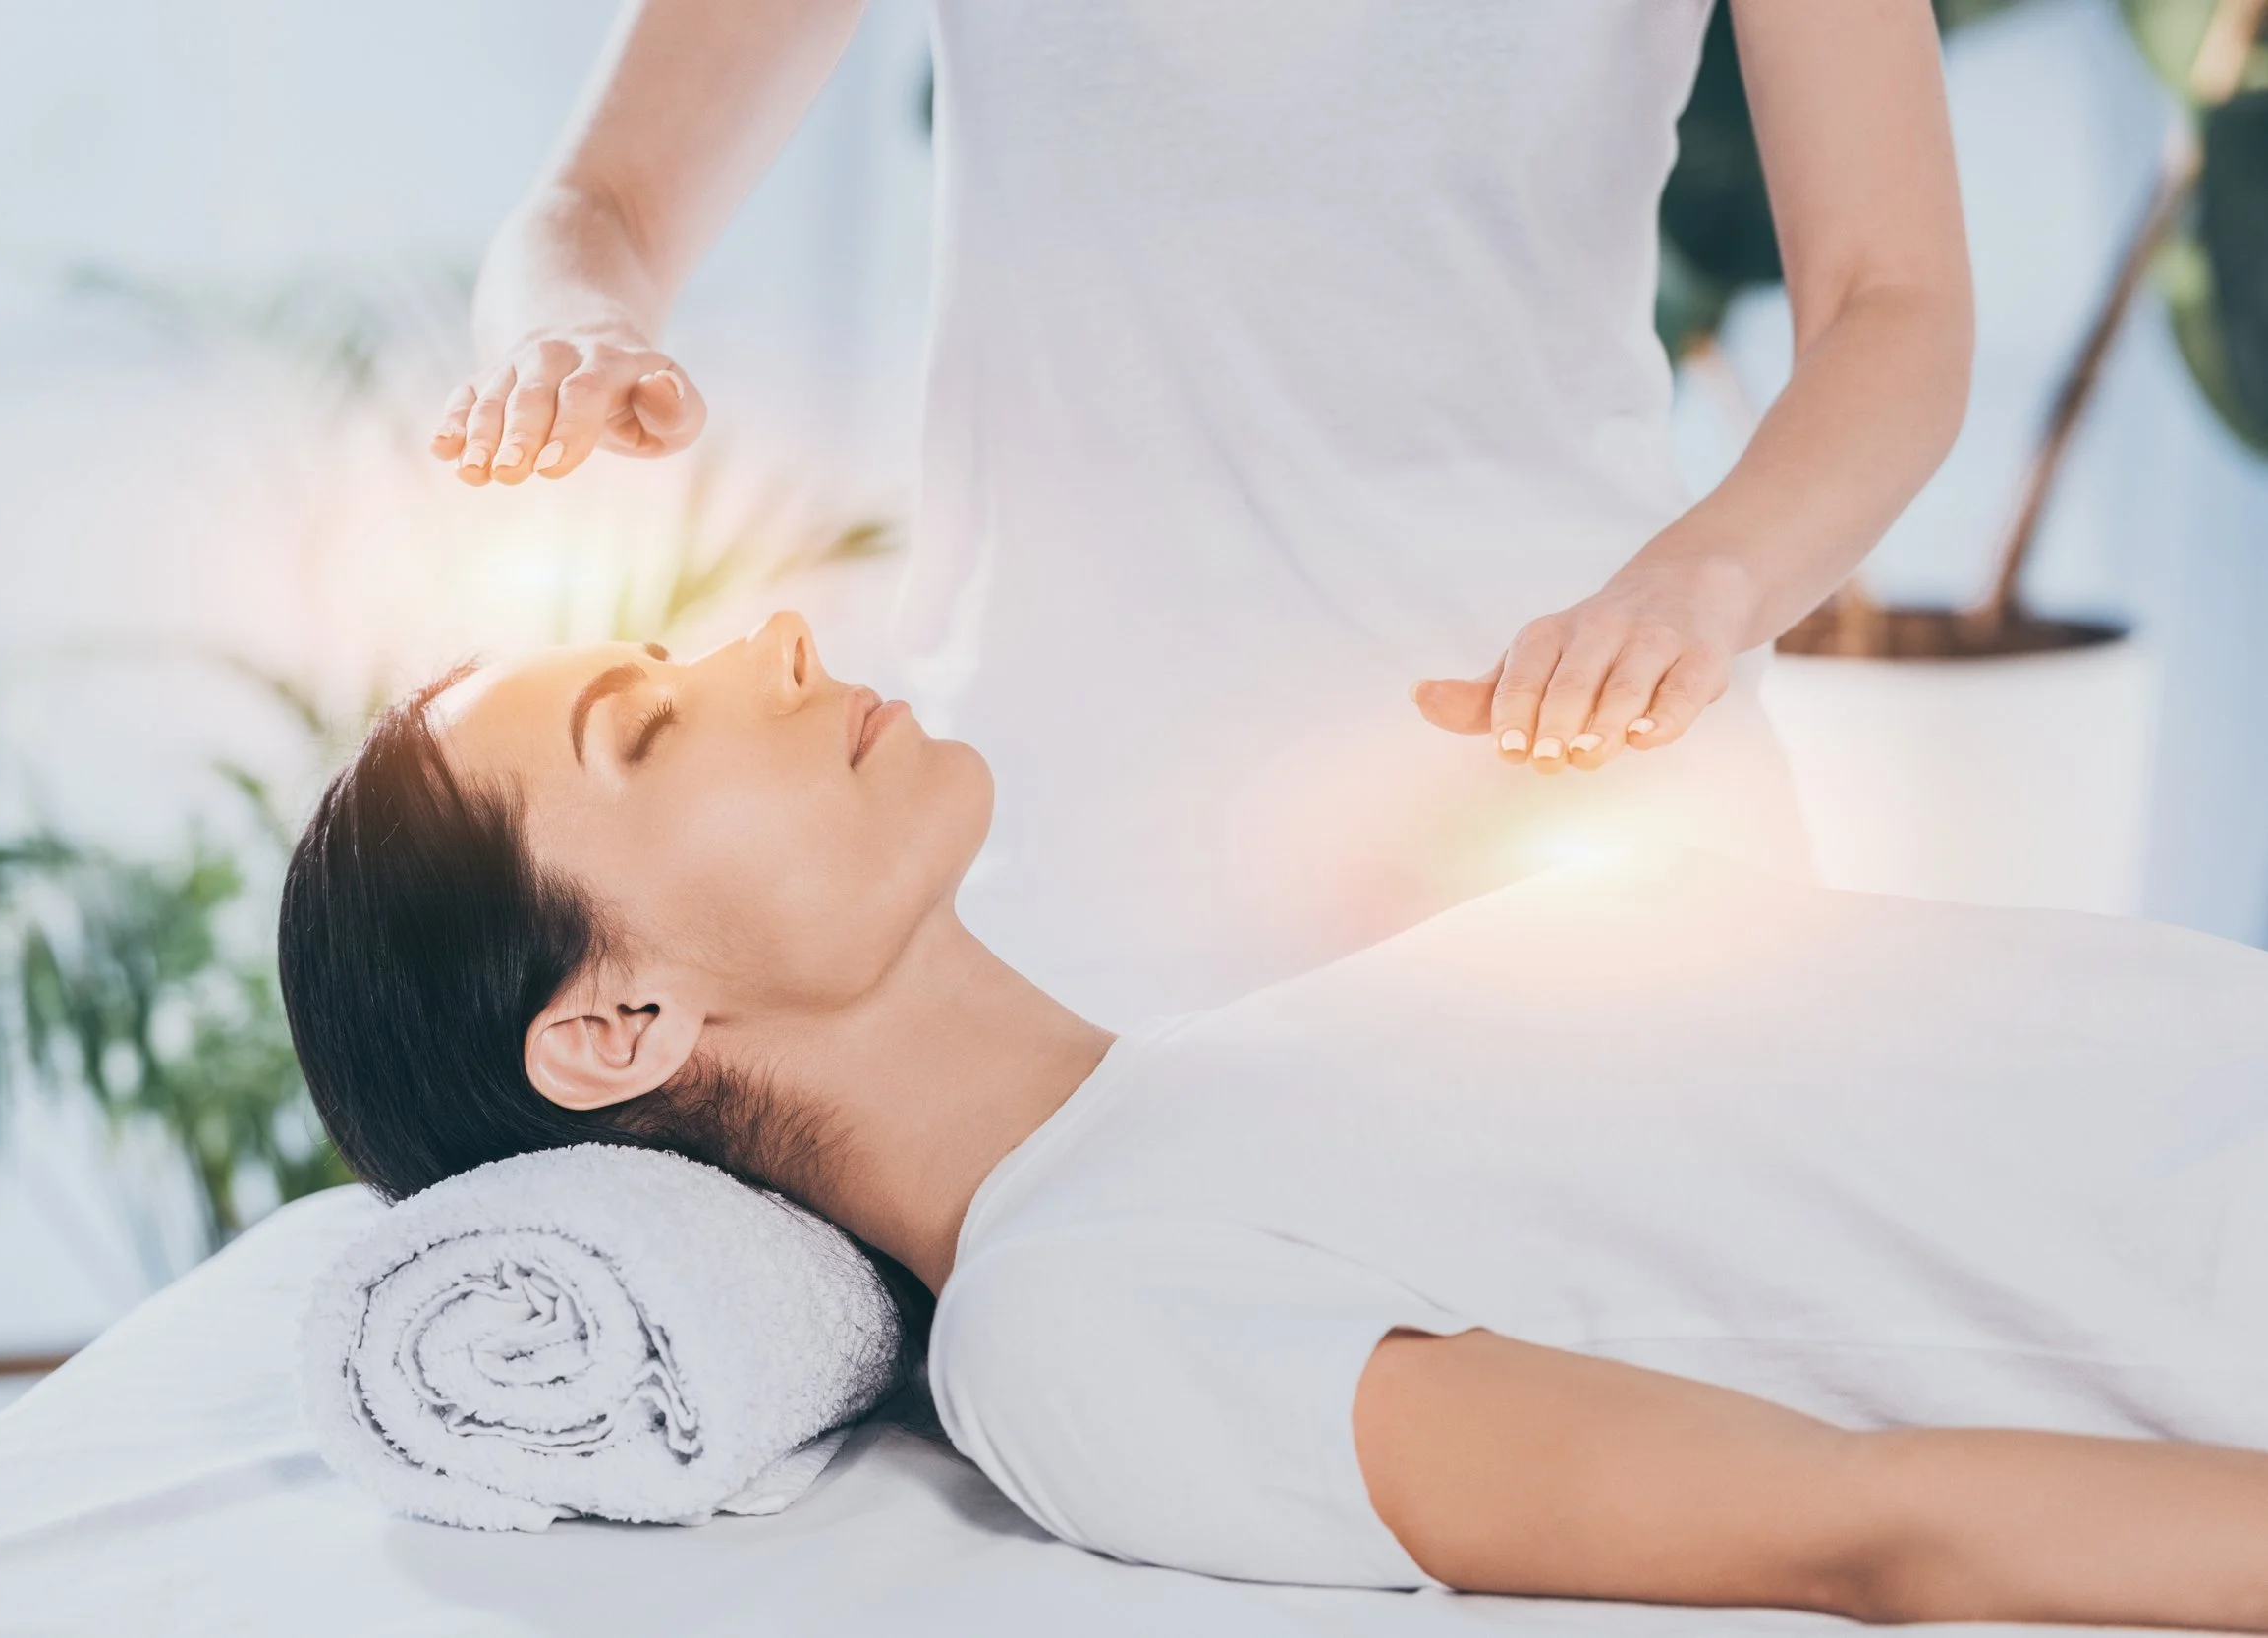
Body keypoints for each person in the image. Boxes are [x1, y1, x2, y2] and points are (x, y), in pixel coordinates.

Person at [281, 614, 2268, 1628]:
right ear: (619, 1021)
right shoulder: (1077, 1327)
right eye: (649, 725)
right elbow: (1865, 1526)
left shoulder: (1238, 1069)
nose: (773, 643)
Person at [425, 1, 1974, 1025]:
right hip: (1067, 886)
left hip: (1585, 832)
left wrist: (1700, 589)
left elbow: (1893, 305)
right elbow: (600, 208)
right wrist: (568, 326)